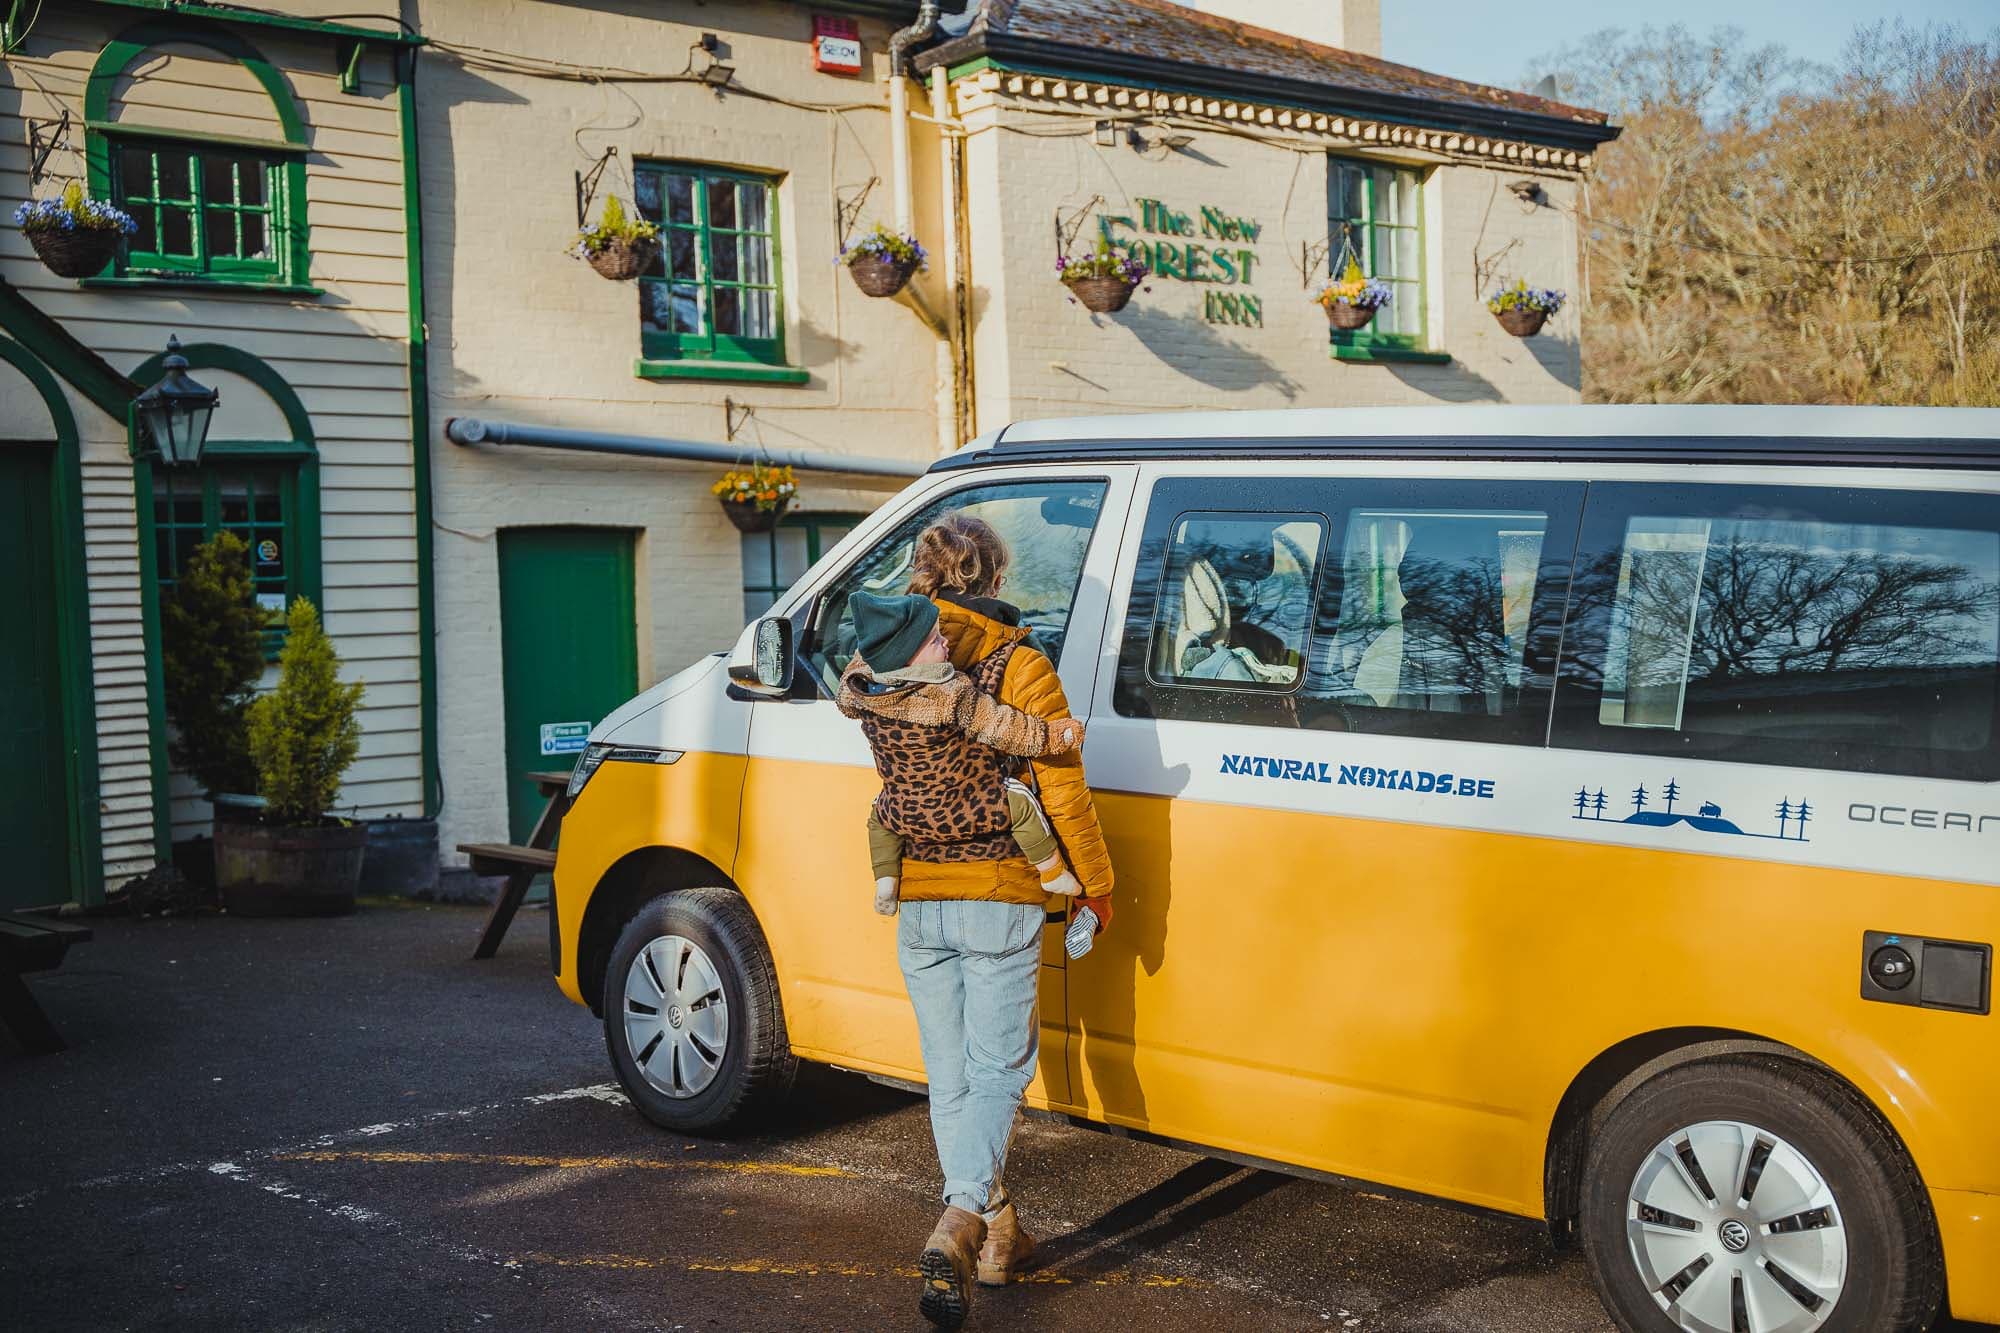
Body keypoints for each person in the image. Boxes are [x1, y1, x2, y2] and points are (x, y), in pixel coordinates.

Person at [884, 514, 1116, 1329]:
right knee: (998, 1073)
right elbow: (1063, 789)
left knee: (950, 1076)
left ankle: (995, 1233)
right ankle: (960, 1220)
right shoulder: (1022, 664)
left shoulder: (890, 657)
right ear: (994, 576)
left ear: (924, 573)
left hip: (917, 891)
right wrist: (1096, 883)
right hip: (1000, 891)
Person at [835, 589, 1087, 914]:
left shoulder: (864, 694)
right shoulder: (949, 693)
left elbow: (854, 679)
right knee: (1020, 800)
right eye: (935, 640)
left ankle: (886, 881)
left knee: (878, 818)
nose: (947, 643)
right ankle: (1051, 871)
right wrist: (1051, 737)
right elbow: (1002, 728)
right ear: (907, 655)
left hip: (903, 807)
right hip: (965, 802)